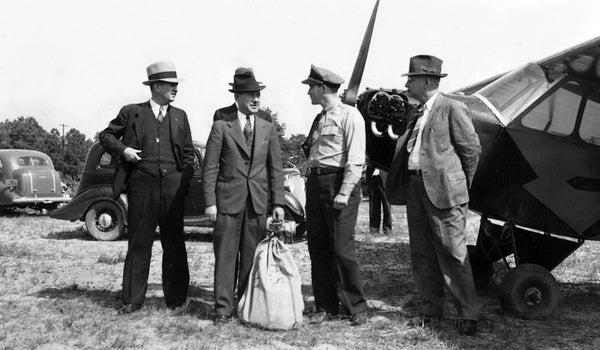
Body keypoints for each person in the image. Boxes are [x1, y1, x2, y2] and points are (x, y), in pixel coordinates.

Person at [385, 55, 481, 335]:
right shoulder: (415, 112)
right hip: (416, 189)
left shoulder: (453, 108)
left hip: (446, 192)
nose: (407, 83)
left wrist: (458, 185)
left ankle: (469, 314)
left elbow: (471, 151)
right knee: (422, 253)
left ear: (427, 80)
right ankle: (431, 311)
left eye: (411, 78)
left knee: (453, 253)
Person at [99, 61, 194, 313]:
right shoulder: (132, 112)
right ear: (157, 86)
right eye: (171, 85)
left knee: (174, 243)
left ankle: (176, 300)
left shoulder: (180, 116)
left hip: (172, 190)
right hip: (141, 187)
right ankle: (132, 300)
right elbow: (106, 136)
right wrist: (124, 150)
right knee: (139, 243)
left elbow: (187, 155)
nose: (176, 89)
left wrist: (183, 180)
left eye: (176, 85)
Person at [202, 67, 285, 326]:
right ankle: (222, 311)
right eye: (250, 94)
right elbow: (211, 167)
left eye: (258, 94)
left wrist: (278, 203)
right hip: (227, 203)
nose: (256, 99)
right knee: (226, 257)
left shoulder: (268, 128)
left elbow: (276, 169)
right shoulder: (221, 126)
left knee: (251, 257)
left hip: (257, 204)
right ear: (237, 96)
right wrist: (210, 202)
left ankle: (246, 308)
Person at [301, 64, 368, 326]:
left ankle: (356, 307)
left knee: (342, 249)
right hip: (316, 184)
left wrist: (344, 191)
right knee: (318, 247)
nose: (308, 92)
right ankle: (325, 306)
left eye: (311, 87)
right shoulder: (319, 118)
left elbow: (355, 159)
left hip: (338, 184)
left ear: (323, 88)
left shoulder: (350, 116)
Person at [366, 160, 392, 235]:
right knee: (373, 205)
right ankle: (374, 229)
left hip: (384, 177)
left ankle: (387, 230)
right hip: (372, 176)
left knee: (387, 205)